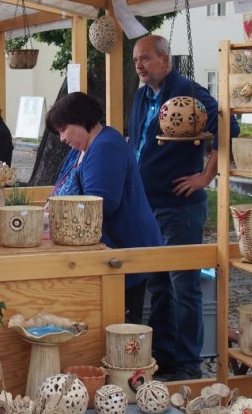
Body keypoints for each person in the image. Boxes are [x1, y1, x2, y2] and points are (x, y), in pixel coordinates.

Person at [127, 34, 240, 381]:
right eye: (135, 61)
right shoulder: (143, 95)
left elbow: (228, 126)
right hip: (148, 206)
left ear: (165, 60)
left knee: (184, 287)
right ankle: (165, 358)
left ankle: (190, 365)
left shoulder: (187, 91)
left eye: (145, 59)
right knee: (159, 286)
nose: (140, 66)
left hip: (179, 208)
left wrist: (205, 177)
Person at [46, 92, 164, 323]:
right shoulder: (83, 148)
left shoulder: (105, 147)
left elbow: (100, 205)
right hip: (109, 252)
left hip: (121, 252)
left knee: (120, 324)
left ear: (81, 120)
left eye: (63, 129)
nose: (61, 138)